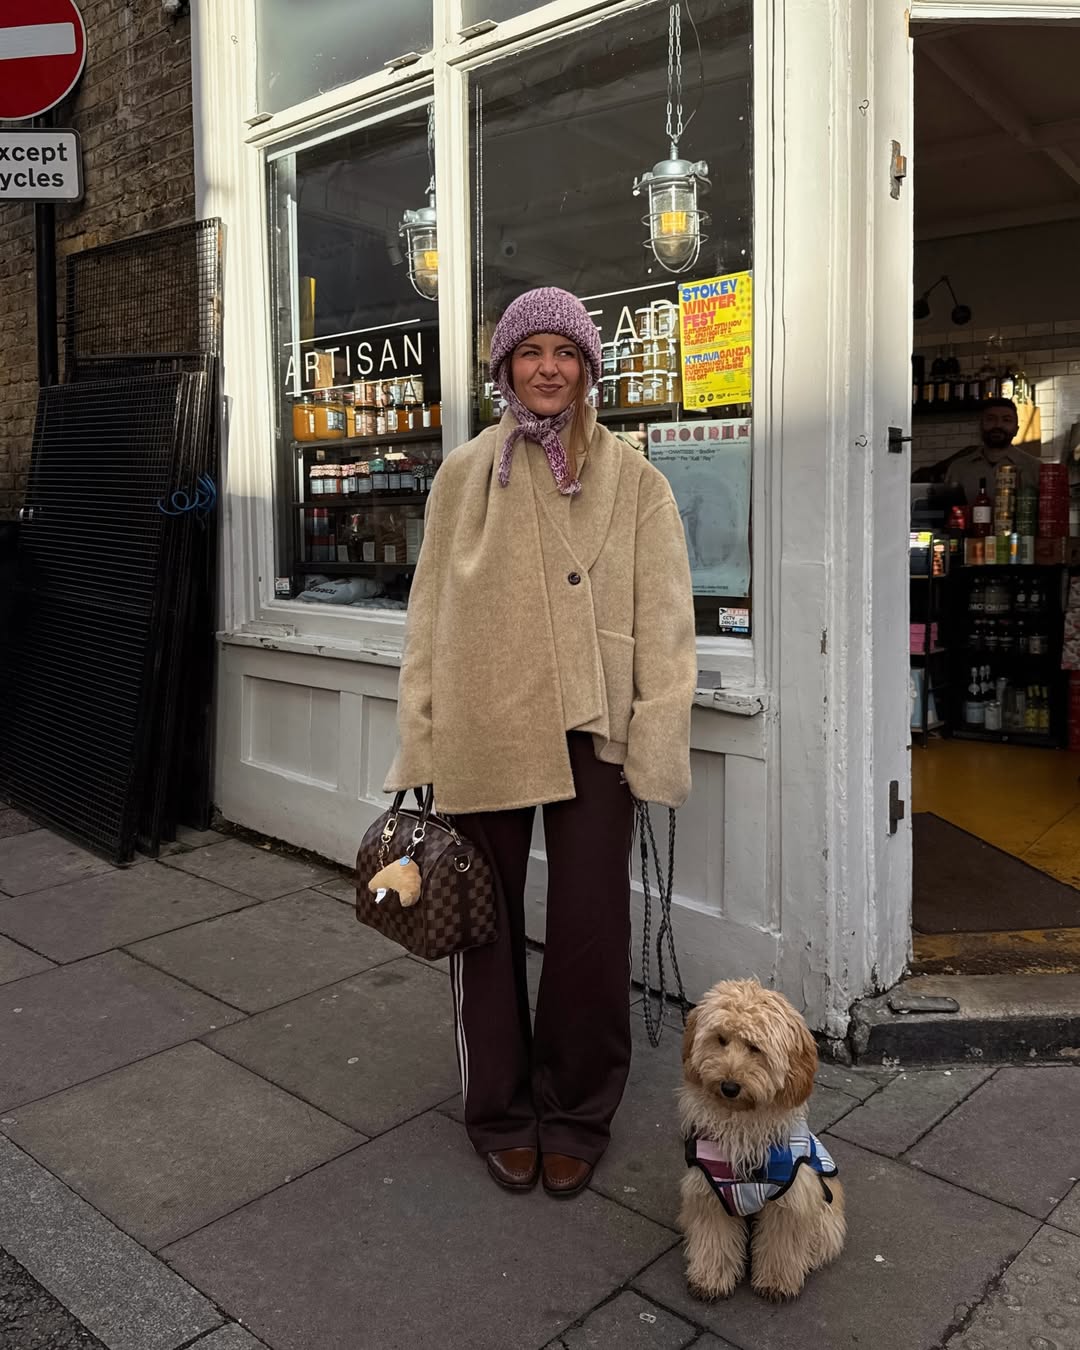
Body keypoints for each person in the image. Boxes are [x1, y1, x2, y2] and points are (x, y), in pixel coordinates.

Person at [385, 287, 697, 1198]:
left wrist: (657, 732)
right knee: (481, 925)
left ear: (588, 367)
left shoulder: (636, 477)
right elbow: (428, 617)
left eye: (567, 351)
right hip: (485, 720)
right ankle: (497, 1107)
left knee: (591, 927)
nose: (550, 367)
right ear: (504, 367)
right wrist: (424, 735)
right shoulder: (462, 475)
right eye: (532, 352)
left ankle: (577, 1106)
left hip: (594, 726)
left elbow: (669, 621)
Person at [911, 397, 1042, 502]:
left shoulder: (1035, 468)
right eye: (991, 419)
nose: (998, 425)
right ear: (980, 426)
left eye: (1006, 420)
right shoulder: (958, 468)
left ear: (1016, 430)